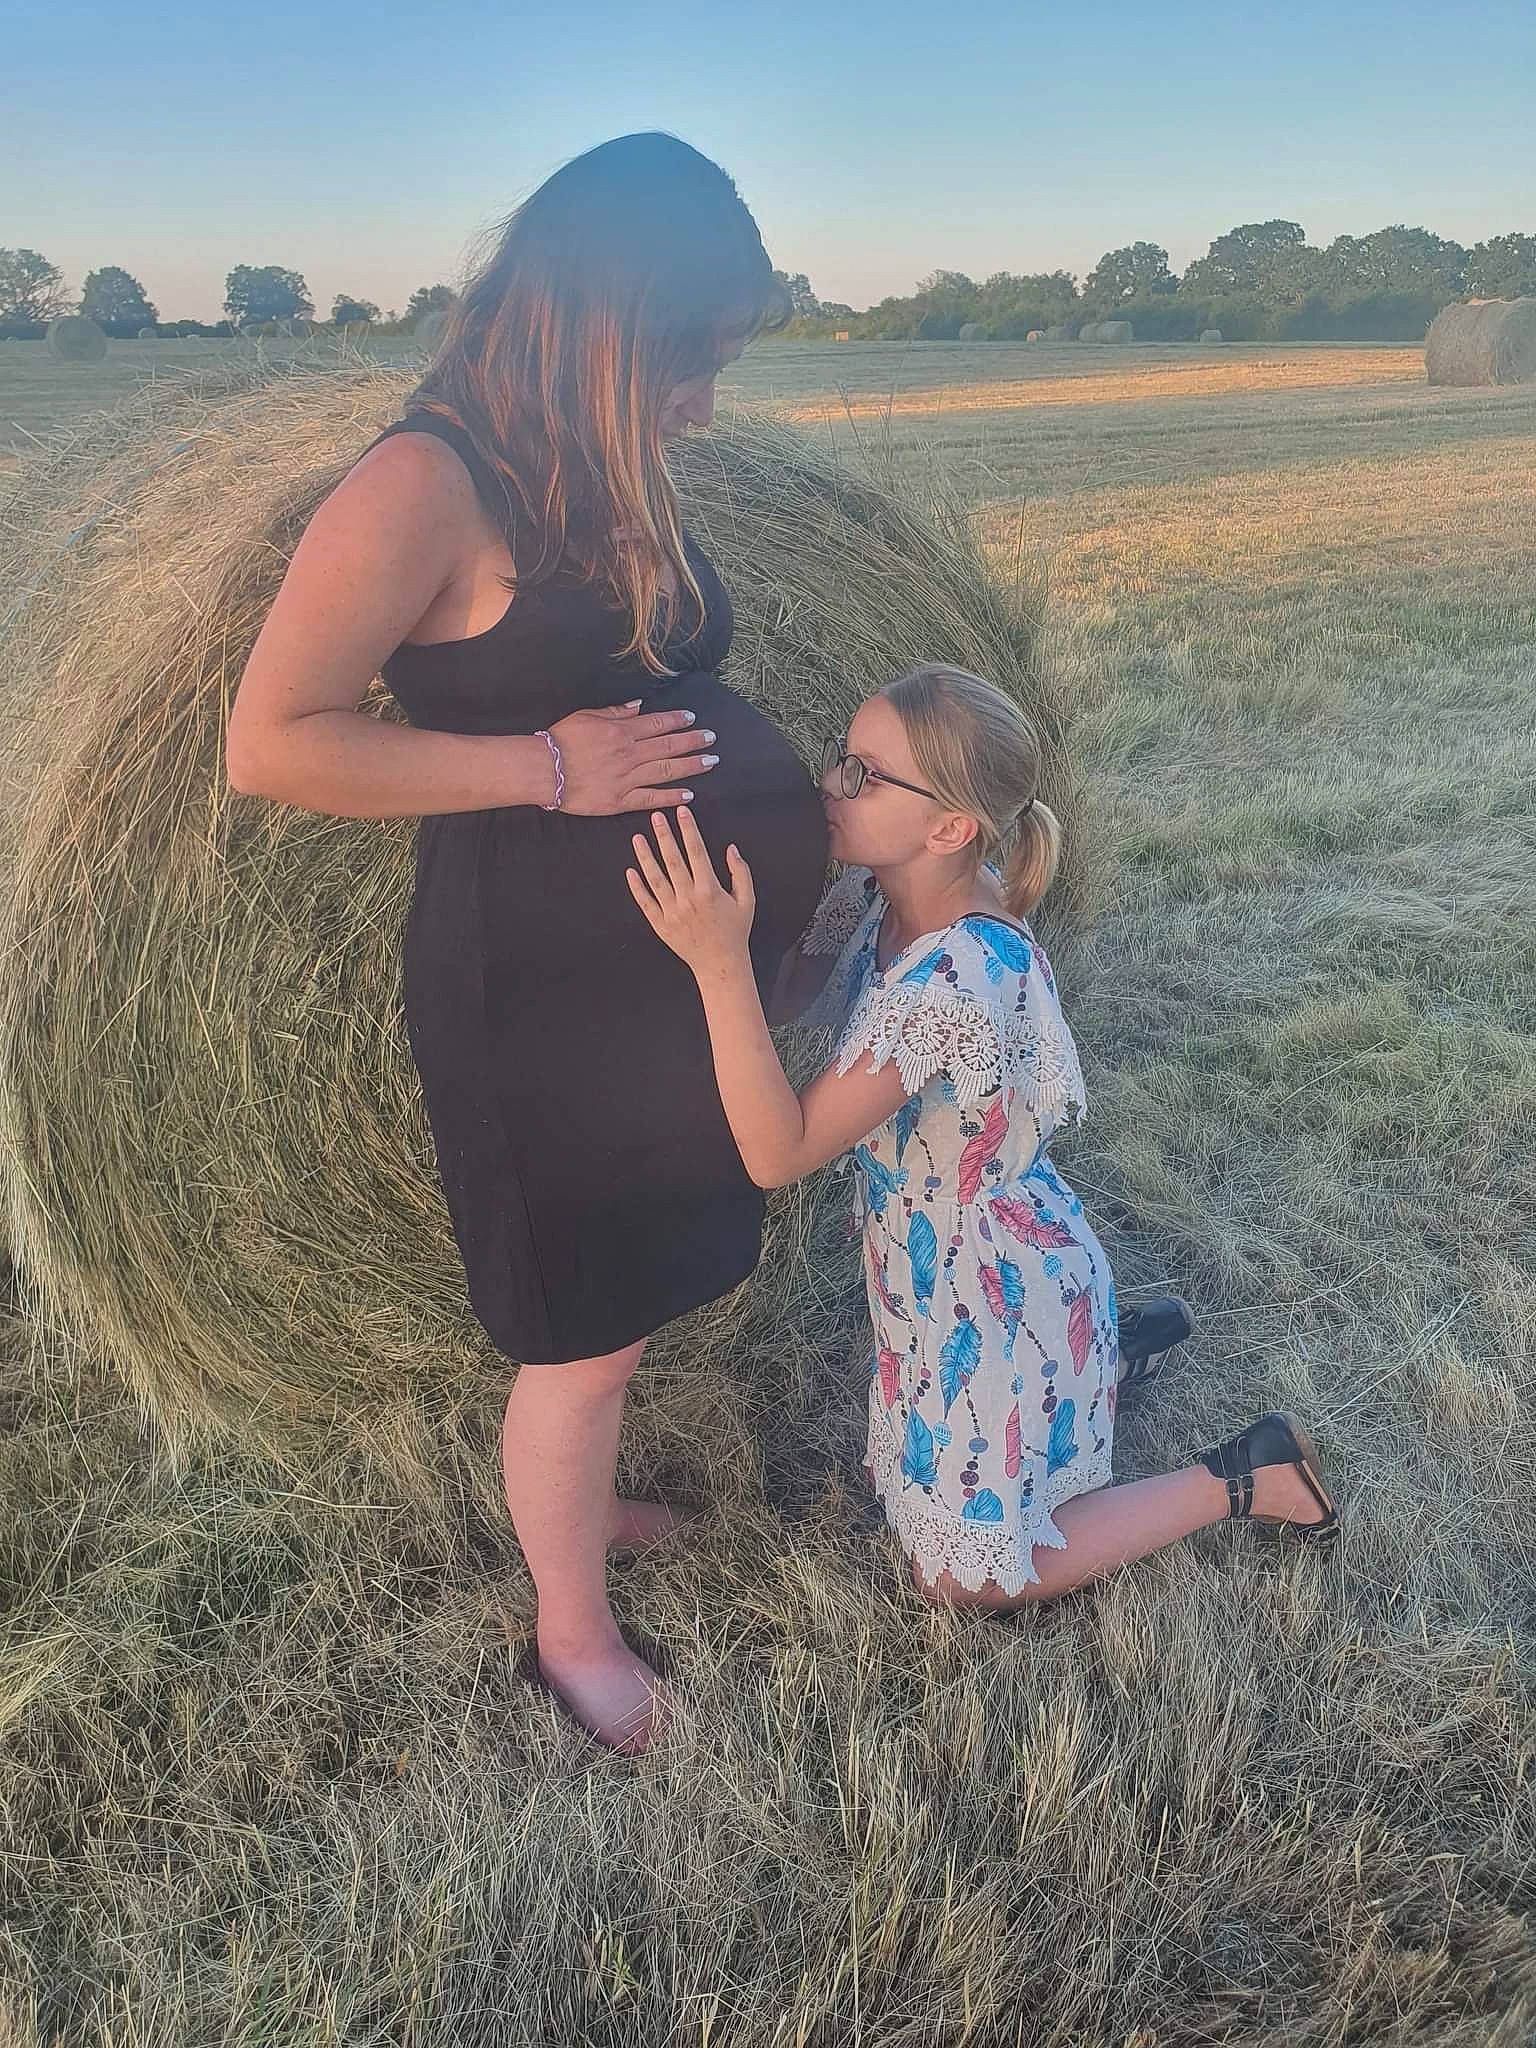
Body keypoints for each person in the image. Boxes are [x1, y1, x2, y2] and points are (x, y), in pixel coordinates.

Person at [227, 133, 829, 1752]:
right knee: (574, 1324)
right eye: (689, 360)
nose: (705, 399)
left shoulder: (602, 461)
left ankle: (587, 1507)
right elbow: (275, 740)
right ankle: (573, 1633)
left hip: (659, 971)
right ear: (600, 324)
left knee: (628, 1294)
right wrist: (548, 767)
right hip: (535, 992)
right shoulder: (419, 485)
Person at [626, 665, 1339, 1607]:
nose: (829, 787)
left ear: (951, 828)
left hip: (990, 1291)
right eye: (840, 760)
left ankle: (1245, 1476)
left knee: (961, 1584)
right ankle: (1107, 1356)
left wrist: (714, 961)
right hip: (934, 1271)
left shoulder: (956, 979)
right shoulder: (880, 897)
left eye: (863, 776)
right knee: (924, 1495)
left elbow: (779, 1150)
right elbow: (791, 1000)